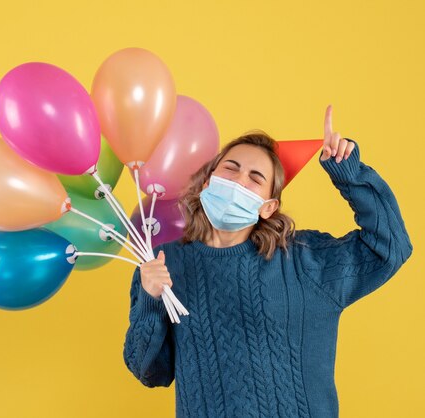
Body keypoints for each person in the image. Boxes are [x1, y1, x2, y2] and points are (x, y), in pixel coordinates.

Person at [122, 105, 412, 418]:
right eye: (230, 168)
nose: (238, 181)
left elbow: (390, 248)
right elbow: (150, 372)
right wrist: (150, 301)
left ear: (268, 206)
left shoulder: (303, 260)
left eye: (255, 178)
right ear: (207, 183)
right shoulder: (165, 265)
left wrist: (350, 174)